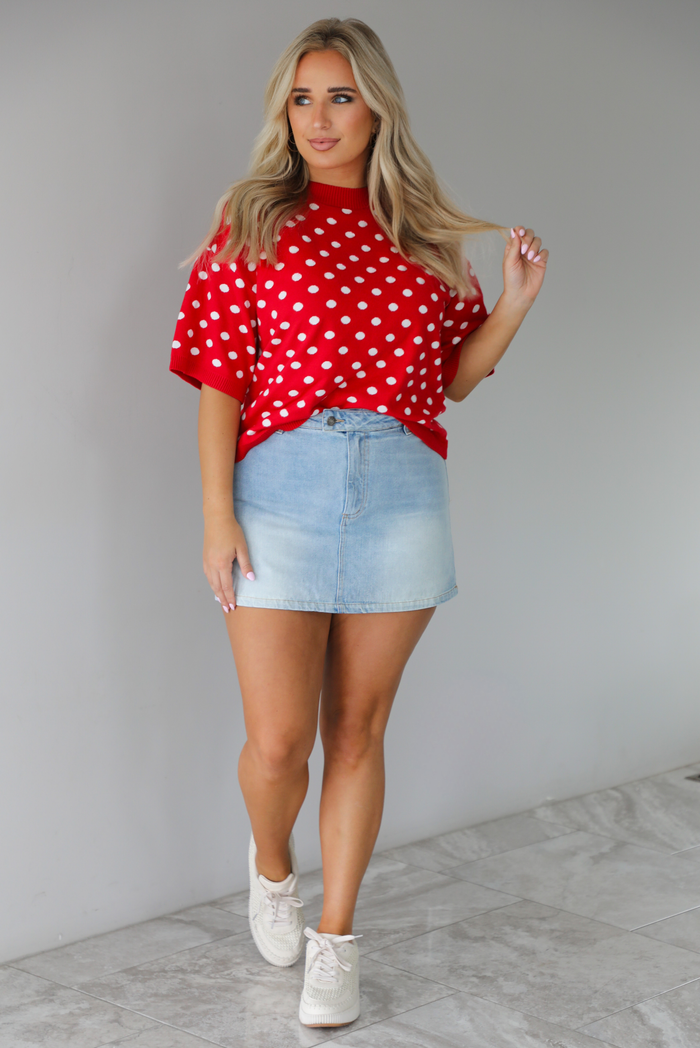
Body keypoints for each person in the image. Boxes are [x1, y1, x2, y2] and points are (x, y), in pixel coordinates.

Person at [169, 16, 547, 1029]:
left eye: (338, 96)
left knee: (359, 728)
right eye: (302, 98)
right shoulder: (253, 217)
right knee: (280, 741)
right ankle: (271, 864)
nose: (318, 118)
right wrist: (217, 516)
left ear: (376, 104)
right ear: (281, 112)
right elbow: (218, 379)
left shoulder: (422, 234)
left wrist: (509, 305)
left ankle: (336, 939)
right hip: (279, 489)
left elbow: (451, 384)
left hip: (401, 490)